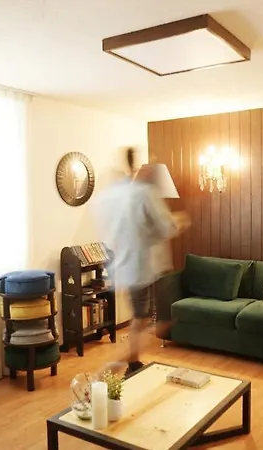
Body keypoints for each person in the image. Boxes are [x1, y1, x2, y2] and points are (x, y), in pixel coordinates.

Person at [94, 148, 190, 376]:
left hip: (123, 266)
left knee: (142, 316)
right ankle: (119, 363)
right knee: (143, 318)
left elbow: (133, 229)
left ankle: (133, 361)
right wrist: (180, 221)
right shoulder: (144, 194)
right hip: (140, 267)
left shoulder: (111, 196)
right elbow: (166, 227)